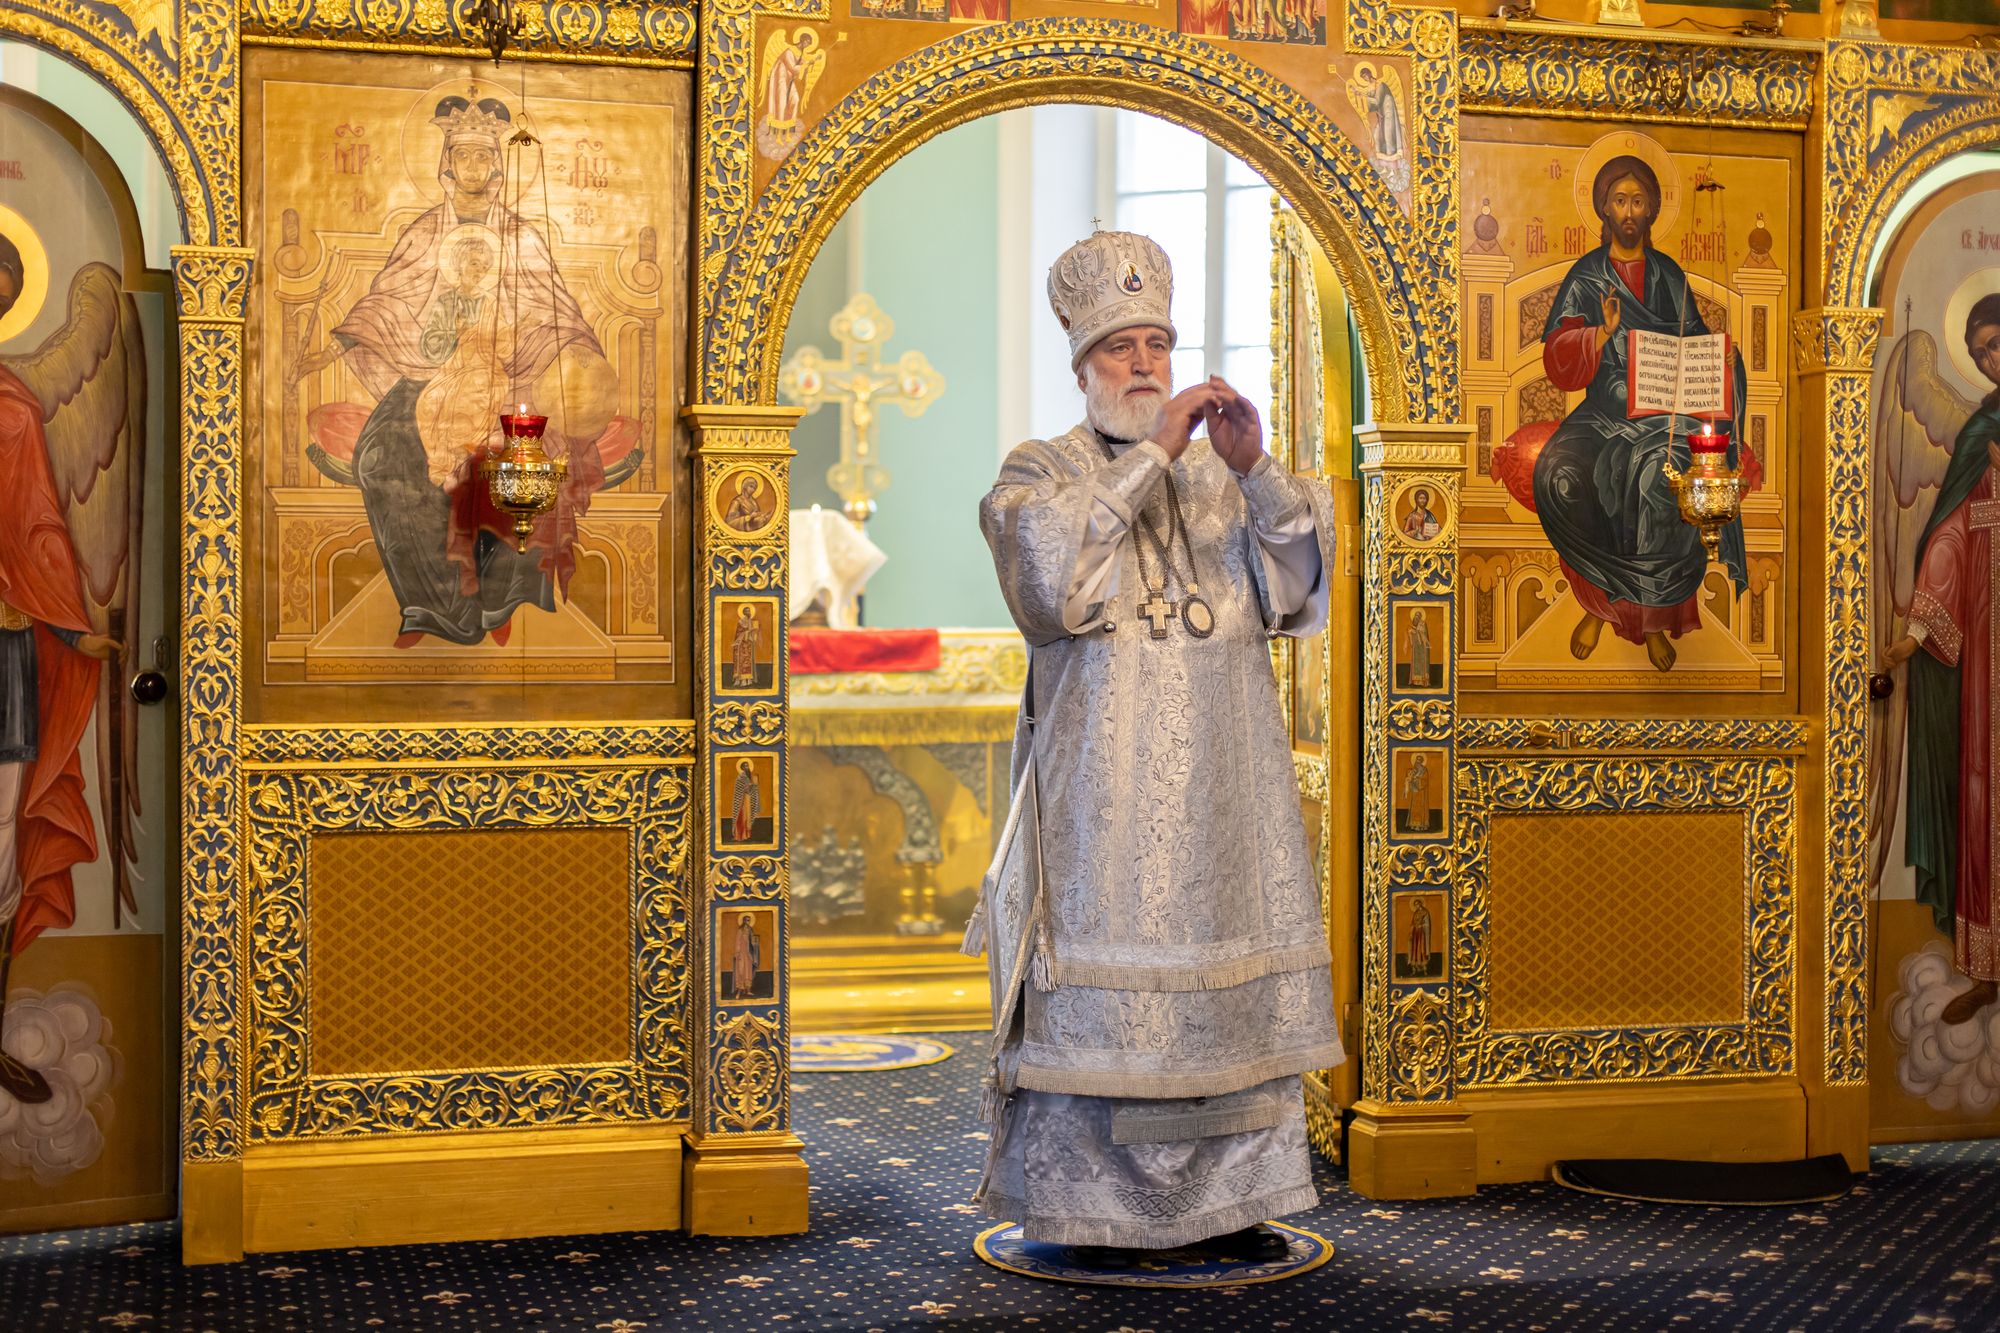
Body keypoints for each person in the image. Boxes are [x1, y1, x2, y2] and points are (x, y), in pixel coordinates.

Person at [967, 229, 1341, 1267]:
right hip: (1104, 807)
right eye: (1120, 347)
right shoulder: (1040, 470)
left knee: (1228, 998)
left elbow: (1297, 589)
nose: (1143, 364)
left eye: (1157, 345)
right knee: (1108, 1004)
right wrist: (1153, 458)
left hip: (1226, 794)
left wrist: (1255, 467)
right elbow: (1049, 590)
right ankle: (1098, 1213)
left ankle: (1231, 1201)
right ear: (1082, 364)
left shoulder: (1224, 477)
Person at [291, 95, 615, 647]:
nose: (473, 167)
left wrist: (570, 356)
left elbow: (558, 313)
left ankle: (502, 600)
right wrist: (334, 346)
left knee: (528, 462)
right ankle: (432, 607)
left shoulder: (524, 237)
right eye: (462, 156)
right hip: (429, 377)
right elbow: (388, 300)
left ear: (496, 164)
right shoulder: (423, 234)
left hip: (513, 378)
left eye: (483, 156)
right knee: (381, 458)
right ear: (447, 162)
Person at [1534, 155, 1749, 673]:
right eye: (1619, 201)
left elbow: (1695, 339)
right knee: (1558, 473)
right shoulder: (1588, 276)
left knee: (1656, 477)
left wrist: (1721, 359)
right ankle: (1601, 603)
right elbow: (1557, 356)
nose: (1629, 211)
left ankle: (1650, 622)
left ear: (1652, 209)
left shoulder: (1668, 275)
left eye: (1637, 201)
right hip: (1606, 410)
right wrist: (1601, 334)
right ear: (1604, 209)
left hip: (1666, 412)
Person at [0, 293, 119, 1103]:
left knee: (3, 836)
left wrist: (74, 632)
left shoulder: (16, 406)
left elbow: (41, 526)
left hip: (6, 647)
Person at [1880, 294, 2000, 1026]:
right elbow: (1951, 534)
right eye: (1981, 351)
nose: (1992, 359)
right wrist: (1921, 627)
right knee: (1985, 792)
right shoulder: (1981, 432)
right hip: (1989, 649)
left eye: (1998, 343)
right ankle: (1988, 968)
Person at [730, 758, 762, 844]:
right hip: (742, 801)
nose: (747, 767)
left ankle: (746, 835)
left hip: (749, 800)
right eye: (745, 766)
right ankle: (739, 836)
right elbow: (740, 789)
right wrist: (748, 787)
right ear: (742, 768)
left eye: (747, 765)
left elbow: (753, 789)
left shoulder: (751, 776)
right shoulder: (740, 777)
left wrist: (754, 785)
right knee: (741, 818)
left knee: (748, 818)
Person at [731, 603, 762, 688]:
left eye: (749, 611)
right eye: (747, 611)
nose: (749, 613)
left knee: (748, 663)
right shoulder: (741, 622)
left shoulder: (750, 621)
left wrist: (755, 631)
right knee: (741, 662)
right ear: (744, 612)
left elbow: (752, 634)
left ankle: (748, 680)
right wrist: (749, 631)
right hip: (741, 645)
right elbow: (739, 633)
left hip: (748, 645)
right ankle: (740, 680)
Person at [731, 912, 761, 1000]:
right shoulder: (740, 930)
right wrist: (737, 953)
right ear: (743, 921)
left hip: (749, 954)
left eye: (749, 920)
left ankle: (748, 990)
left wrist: (756, 942)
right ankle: (739, 991)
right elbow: (737, 942)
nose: (748, 922)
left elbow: (753, 941)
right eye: (747, 920)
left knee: (748, 972)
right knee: (741, 972)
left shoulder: (751, 930)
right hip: (741, 953)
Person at [1404, 753, 1432, 832]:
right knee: (1414, 808)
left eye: (1419, 761)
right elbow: (1410, 777)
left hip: (1422, 793)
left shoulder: (1424, 770)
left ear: (1421, 761)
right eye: (1416, 760)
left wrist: (1417, 780)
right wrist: (1410, 779)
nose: (1417, 762)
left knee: (1421, 808)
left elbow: (1425, 781)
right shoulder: (1414, 769)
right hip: (1415, 792)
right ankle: (1413, 825)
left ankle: (1422, 825)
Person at [1408, 606, 1432, 689]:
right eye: (1415, 616)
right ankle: (1415, 681)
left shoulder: (1423, 624)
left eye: (1417, 616)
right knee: (1416, 663)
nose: (1416, 618)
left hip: (1422, 647)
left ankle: (1423, 681)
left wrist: (1416, 631)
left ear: (1420, 617)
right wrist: (1411, 632)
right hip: (1416, 647)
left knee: (1422, 663)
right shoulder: (1416, 624)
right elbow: (1415, 634)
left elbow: (1423, 634)